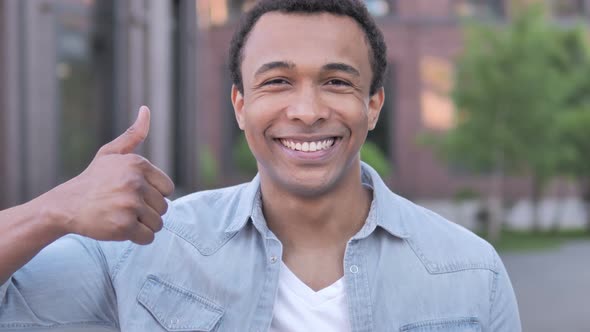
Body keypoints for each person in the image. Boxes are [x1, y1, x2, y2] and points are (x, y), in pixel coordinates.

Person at [0, 0, 521, 331]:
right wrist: (54, 210)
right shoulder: (143, 246)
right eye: (276, 82)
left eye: (337, 82)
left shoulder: (471, 272)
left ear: (374, 105)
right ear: (240, 105)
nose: (308, 110)